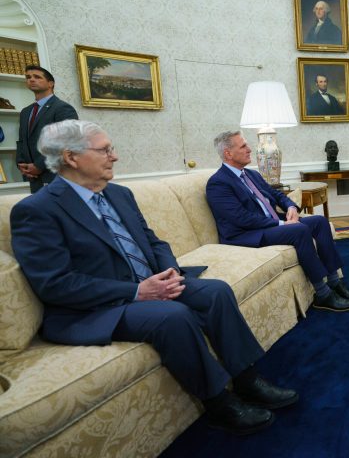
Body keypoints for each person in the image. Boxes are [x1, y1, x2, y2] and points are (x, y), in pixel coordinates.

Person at [10, 120, 297, 435]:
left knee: (215, 292)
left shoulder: (119, 194)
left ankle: (247, 379)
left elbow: (153, 241)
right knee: (172, 316)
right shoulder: (37, 210)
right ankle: (217, 402)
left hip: (151, 283)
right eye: (105, 150)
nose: (114, 156)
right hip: (98, 307)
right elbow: (55, 284)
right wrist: (136, 291)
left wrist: (169, 270)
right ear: (71, 157)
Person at [206, 131, 349, 312]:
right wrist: (281, 224)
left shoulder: (251, 175)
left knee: (319, 221)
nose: (249, 149)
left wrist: (291, 208)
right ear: (228, 153)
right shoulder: (218, 183)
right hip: (247, 234)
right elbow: (241, 218)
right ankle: (322, 294)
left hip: (268, 224)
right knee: (299, 230)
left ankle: (336, 283)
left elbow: (277, 195)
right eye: (243, 146)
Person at [16, 65, 79, 193]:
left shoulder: (62, 108)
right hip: (33, 178)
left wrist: (39, 166)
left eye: (37, 77)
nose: (31, 80)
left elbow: (66, 142)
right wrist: (22, 164)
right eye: (28, 77)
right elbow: (22, 141)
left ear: (50, 83)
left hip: (57, 176)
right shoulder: (25, 112)